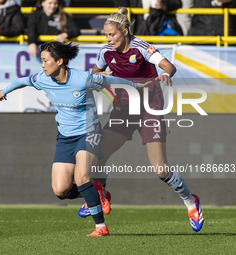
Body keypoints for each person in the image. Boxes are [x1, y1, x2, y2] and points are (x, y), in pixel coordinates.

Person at [0, 41, 151, 236]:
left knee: (82, 177)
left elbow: (113, 81)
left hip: (89, 132)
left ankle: (100, 227)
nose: (42, 65)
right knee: (60, 191)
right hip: (65, 137)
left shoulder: (82, 79)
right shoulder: (42, 78)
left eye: (45, 60)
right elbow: (23, 81)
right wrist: (4, 92)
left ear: (59, 61)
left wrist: (138, 85)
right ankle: (97, 192)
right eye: (41, 61)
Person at [78, 7, 204, 233]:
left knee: (161, 170)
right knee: (97, 157)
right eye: (106, 35)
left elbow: (169, 66)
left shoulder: (141, 47)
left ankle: (190, 202)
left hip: (149, 108)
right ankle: (101, 194)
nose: (108, 40)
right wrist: (100, 76)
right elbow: (95, 73)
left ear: (125, 31)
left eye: (112, 35)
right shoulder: (106, 51)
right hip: (124, 109)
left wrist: (164, 74)